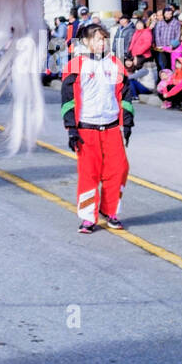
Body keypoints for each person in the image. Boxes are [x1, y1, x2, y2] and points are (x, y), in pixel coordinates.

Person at [61, 22, 134, 234]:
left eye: (104, 39)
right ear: (86, 41)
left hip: (111, 127)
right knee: (89, 174)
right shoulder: (75, 65)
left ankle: (110, 211)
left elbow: (125, 95)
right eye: (97, 39)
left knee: (119, 169)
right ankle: (87, 217)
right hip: (86, 128)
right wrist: (71, 129)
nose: (101, 43)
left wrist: (127, 123)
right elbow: (67, 100)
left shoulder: (115, 64)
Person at [153, 6, 181, 71]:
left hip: (172, 47)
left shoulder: (176, 22)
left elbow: (178, 35)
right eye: (167, 13)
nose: (168, 15)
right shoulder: (160, 23)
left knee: (172, 63)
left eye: (170, 13)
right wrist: (160, 46)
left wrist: (173, 45)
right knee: (164, 64)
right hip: (162, 47)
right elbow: (157, 34)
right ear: (164, 14)